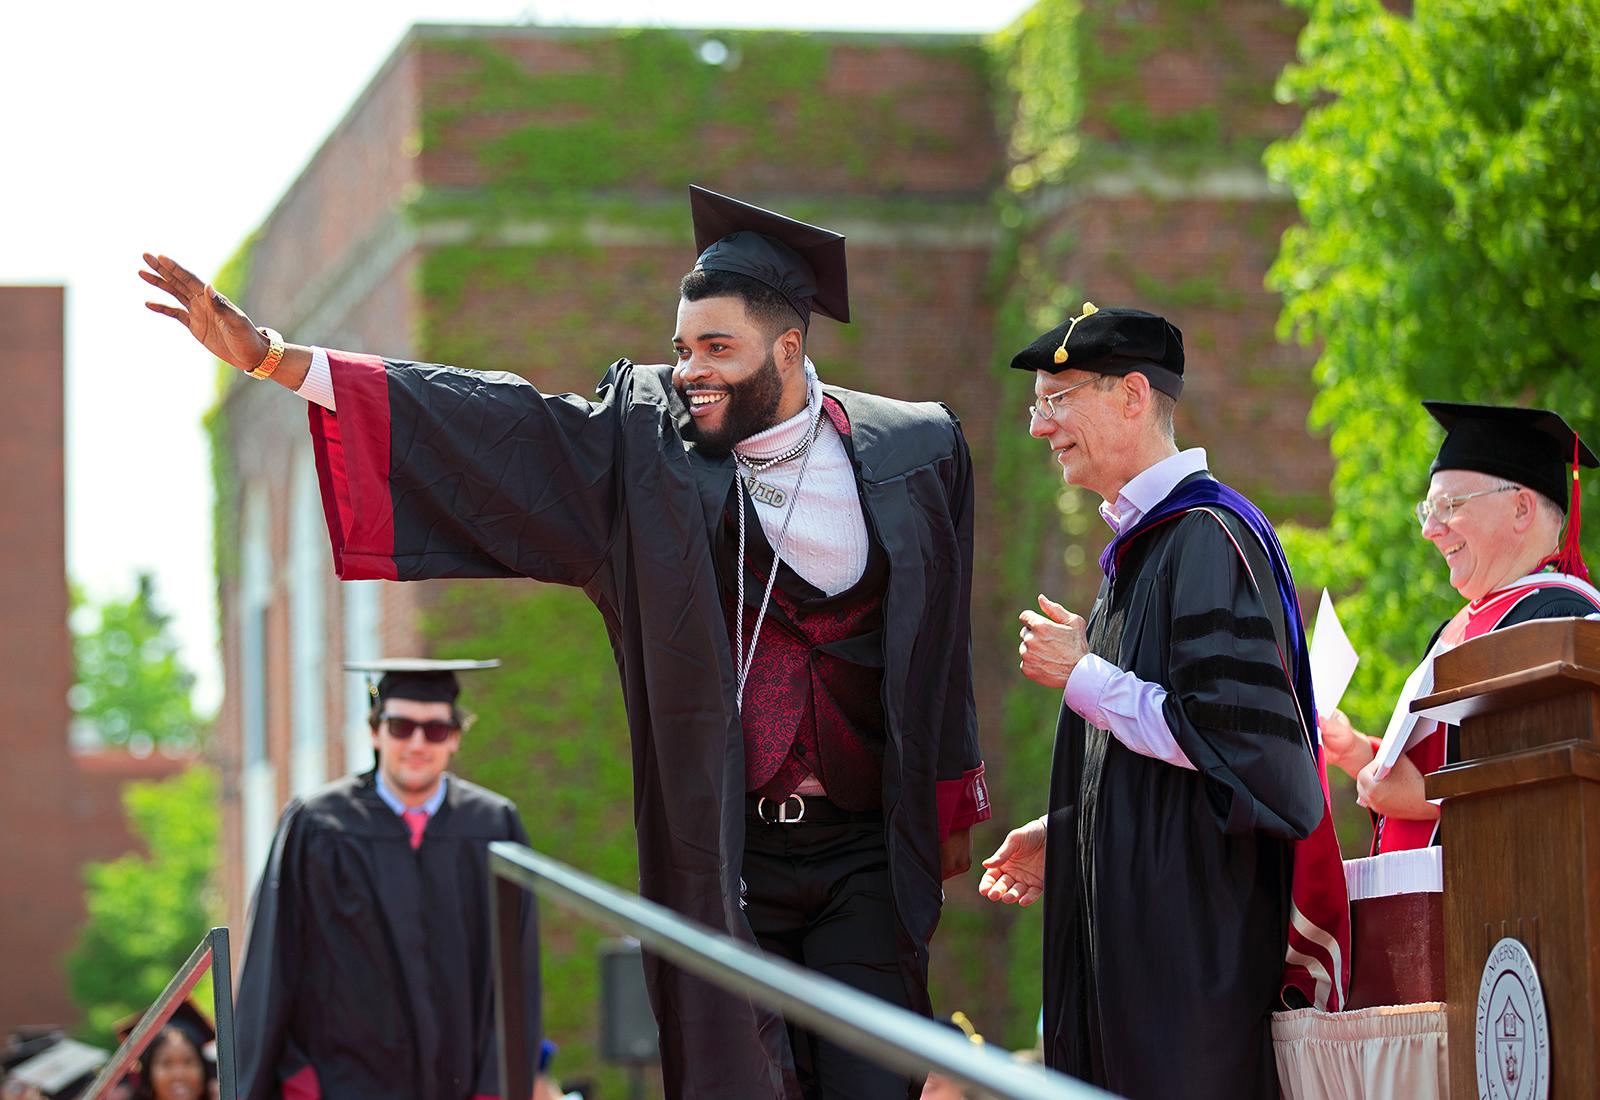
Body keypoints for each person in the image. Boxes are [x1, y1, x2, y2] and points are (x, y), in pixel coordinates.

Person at [142, 185, 989, 1100]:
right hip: (726, 851)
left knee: (877, 1083)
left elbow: (936, 648)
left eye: (718, 349)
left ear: (789, 347)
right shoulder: (648, 450)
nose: (693, 369)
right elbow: (496, 422)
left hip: (864, 846)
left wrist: (950, 799)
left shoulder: (917, 449)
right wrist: (275, 359)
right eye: (682, 348)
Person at [976, 305, 1349, 1099]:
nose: (1041, 429)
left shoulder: (1210, 537)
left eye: (1057, 400)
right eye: (1037, 407)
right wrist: (1075, 824)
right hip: (1148, 945)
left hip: (1190, 955)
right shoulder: (1145, 549)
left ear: (1132, 397)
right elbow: (1169, 751)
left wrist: (1084, 674)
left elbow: (1239, 745)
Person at [232, 659, 542, 1100]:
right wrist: (296, 1078)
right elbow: (275, 959)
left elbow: (517, 974)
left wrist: (496, 1087)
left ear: (454, 738)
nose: (417, 743)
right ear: (375, 732)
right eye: (400, 726)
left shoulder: (492, 826)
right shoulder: (319, 825)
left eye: (434, 730)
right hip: (342, 1085)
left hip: (460, 1087)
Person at [1321, 402, 1600, 851]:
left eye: (1448, 506)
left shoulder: (1567, 623)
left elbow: (1551, 785)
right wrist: (1360, 754)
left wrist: (1420, 796)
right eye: (1427, 510)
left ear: (1521, 509)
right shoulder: (1461, 626)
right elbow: (1450, 766)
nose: (1430, 529)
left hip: (1511, 912)